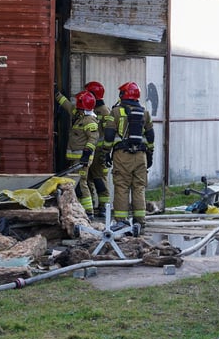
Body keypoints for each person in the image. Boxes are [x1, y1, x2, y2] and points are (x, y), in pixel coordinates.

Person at [102, 81, 155, 230]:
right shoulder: (145, 112)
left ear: (123, 95)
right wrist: (150, 154)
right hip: (141, 156)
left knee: (122, 187)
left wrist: (106, 153)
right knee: (139, 188)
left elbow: (109, 135)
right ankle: (140, 222)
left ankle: (122, 222)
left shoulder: (116, 112)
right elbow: (151, 136)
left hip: (122, 155)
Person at [55, 89, 99, 218]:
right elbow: (68, 106)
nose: (76, 107)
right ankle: (81, 209)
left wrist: (86, 154)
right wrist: (57, 94)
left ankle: (89, 212)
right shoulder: (80, 116)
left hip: (82, 160)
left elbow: (93, 139)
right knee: (76, 183)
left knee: (81, 183)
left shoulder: (89, 121)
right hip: (76, 160)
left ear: (82, 107)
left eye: (78, 104)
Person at [85, 81, 112, 216]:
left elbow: (109, 132)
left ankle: (104, 207)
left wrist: (106, 152)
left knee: (99, 179)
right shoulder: (90, 110)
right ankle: (91, 206)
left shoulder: (104, 111)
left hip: (99, 152)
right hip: (90, 151)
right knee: (88, 179)